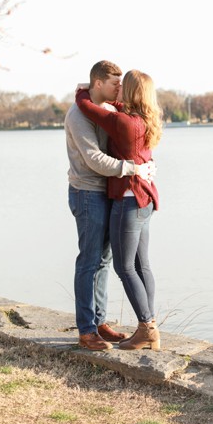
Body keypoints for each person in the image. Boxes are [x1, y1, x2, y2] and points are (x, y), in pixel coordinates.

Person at [66, 60, 154, 351]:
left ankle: (100, 322)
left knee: (104, 262)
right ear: (99, 84)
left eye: (122, 84)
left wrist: (83, 90)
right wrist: (133, 169)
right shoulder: (79, 115)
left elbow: (124, 112)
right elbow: (94, 160)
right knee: (89, 262)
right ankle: (86, 330)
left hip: (109, 192)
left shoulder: (112, 110)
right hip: (88, 192)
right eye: (115, 84)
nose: (119, 90)